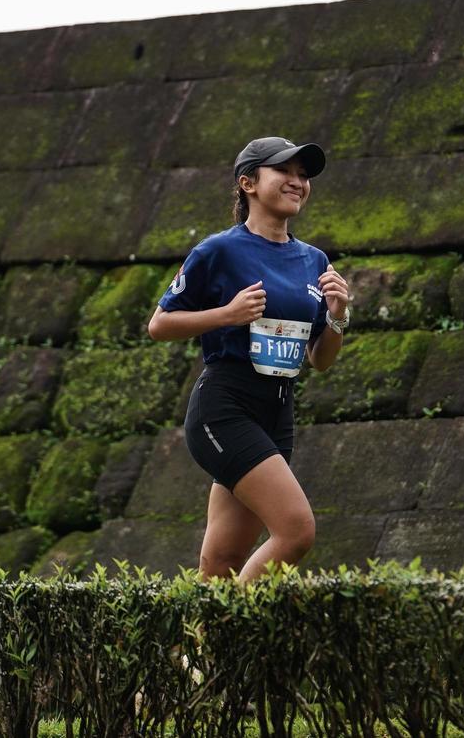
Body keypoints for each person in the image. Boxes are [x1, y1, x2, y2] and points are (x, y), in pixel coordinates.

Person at [146, 136, 352, 583]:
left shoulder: (313, 260)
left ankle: (193, 653)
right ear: (248, 183)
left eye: (304, 175)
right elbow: (160, 324)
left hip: (277, 412)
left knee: (219, 565)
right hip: (225, 407)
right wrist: (227, 314)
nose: (298, 182)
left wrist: (337, 316)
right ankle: (231, 641)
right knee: (296, 531)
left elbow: (319, 360)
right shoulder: (219, 250)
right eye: (286, 172)